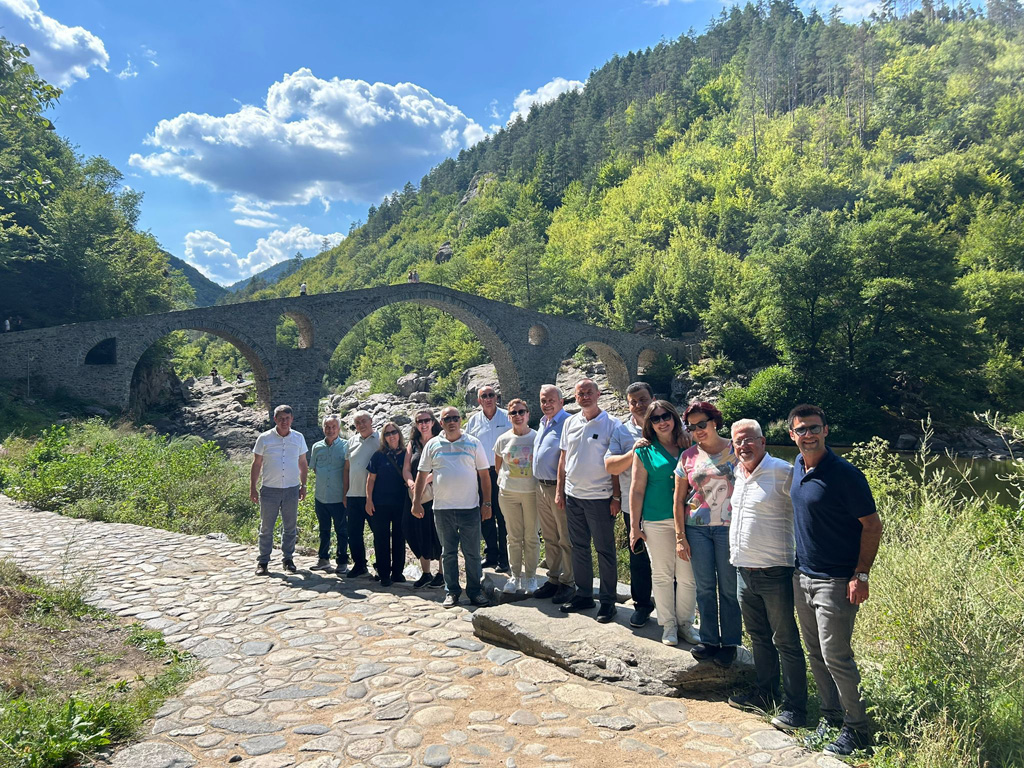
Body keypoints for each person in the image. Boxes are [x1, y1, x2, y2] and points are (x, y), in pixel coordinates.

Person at [789, 404, 882, 756]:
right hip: (803, 576)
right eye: (801, 429)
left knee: (836, 656)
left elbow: (872, 525)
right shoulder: (798, 466)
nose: (808, 435)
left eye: (814, 428)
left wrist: (861, 574)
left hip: (837, 581)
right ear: (792, 435)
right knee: (816, 653)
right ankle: (830, 718)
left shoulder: (845, 474)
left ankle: (857, 730)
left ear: (826, 430)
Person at [726, 418, 807, 733]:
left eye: (749, 439)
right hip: (743, 571)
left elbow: (807, 510)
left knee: (785, 640)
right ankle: (765, 693)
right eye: (738, 441)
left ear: (762, 441)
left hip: (775, 572)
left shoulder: (783, 472)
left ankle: (796, 708)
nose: (743, 446)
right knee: (759, 637)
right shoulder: (738, 472)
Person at [675, 401, 741, 666]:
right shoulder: (688, 456)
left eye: (702, 424)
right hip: (697, 529)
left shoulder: (736, 449)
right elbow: (678, 499)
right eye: (692, 427)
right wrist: (680, 536)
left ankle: (731, 642)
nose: (697, 430)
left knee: (729, 588)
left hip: (729, 528)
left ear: (714, 422)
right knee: (704, 588)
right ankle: (709, 639)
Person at [628, 400, 699, 646]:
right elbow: (637, 490)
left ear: (674, 418)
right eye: (655, 418)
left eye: (666, 416)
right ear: (650, 424)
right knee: (662, 574)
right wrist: (634, 526)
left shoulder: (688, 446)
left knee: (688, 576)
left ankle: (686, 624)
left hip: (688, 521)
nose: (662, 422)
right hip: (656, 520)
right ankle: (668, 625)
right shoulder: (644, 451)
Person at [556, 378, 622, 623]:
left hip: (600, 497)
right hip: (574, 495)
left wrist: (616, 497)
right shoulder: (570, 422)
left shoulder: (612, 424)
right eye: (580, 393)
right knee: (579, 547)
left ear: (598, 394)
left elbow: (615, 464)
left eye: (588, 392)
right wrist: (560, 490)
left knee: (604, 550)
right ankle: (583, 595)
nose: (584, 397)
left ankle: (608, 602)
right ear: (575, 397)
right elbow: (564, 458)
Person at [413, 406, 491, 608]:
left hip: (469, 508)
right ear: (441, 423)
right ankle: (452, 591)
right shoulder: (433, 445)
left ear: (461, 420)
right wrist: (416, 502)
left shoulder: (473, 443)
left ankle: (475, 591)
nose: (452, 422)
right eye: (447, 419)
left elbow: (484, 475)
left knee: (472, 553)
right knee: (448, 553)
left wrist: (487, 503)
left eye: (455, 418)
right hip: (442, 509)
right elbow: (422, 475)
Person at [605, 382, 658, 628]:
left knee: (672, 560)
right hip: (633, 506)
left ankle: (674, 612)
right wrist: (633, 451)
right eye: (633, 402)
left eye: (643, 399)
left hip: (666, 506)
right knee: (638, 557)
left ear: (653, 399)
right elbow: (611, 466)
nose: (638, 405)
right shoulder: (621, 431)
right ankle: (642, 606)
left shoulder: (667, 423)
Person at [250, 404, 308, 575]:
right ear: (275, 419)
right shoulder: (264, 438)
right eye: (281, 418)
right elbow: (257, 464)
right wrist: (253, 487)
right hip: (270, 489)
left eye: (287, 418)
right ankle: (263, 562)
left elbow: (303, 463)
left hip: (291, 489)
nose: (284, 422)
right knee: (266, 528)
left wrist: (304, 485)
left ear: (292, 419)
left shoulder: (298, 438)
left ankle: (288, 560)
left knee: (290, 527)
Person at [531, 385, 575, 604]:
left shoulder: (568, 422)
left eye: (551, 400)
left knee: (565, 537)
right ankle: (554, 578)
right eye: (543, 401)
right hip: (541, 486)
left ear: (561, 401)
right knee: (549, 537)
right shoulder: (543, 422)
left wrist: (561, 490)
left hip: (558, 488)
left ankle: (568, 582)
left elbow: (568, 458)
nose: (546, 404)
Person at [465, 385, 512, 573]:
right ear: (479, 400)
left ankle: (505, 558)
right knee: (486, 514)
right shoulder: (473, 421)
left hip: (503, 471)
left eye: (491, 395)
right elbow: (468, 446)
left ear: (496, 397)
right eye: (484, 396)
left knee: (503, 516)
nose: (488, 398)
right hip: (481, 473)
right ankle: (491, 554)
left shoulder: (507, 417)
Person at [493, 398, 539, 593]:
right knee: (513, 536)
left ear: (528, 414)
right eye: (513, 413)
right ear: (509, 416)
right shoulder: (503, 439)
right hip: (508, 493)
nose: (518, 416)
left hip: (532, 493)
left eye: (521, 412)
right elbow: (498, 466)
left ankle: (531, 577)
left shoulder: (537, 437)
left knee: (531, 536)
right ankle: (515, 576)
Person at [403, 409, 444, 589]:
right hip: (415, 495)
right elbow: (406, 468)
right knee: (415, 530)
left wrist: (424, 480)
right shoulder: (413, 444)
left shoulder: (441, 441)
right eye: (419, 421)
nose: (423, 424)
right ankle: (426, 573)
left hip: (437, 494)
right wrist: (411, 482)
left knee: (438, 532)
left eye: (426, 420)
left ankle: (442, 573)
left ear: (433, 422)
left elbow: (443, 466)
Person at [366, 421, 409, 586]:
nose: (391, 436)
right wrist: (369, 500)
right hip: (380, 503)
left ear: (399, 434)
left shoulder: (406, 454)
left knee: (400, 537)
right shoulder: (378, 455)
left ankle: (397, 572)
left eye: (394, 432)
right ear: (383, 437)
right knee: (381, 538)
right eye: (387, 433)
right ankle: (384, 574)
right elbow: (371, 479)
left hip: (401, 503)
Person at [309, 414, 349, 574]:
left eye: (333, 427)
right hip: (321, 496)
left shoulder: (346, 446)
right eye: (327, 427)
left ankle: (342, 562)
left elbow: (348, 470)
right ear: (323, 428)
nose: (330, 430)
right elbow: (314, 467)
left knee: (342, 531)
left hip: (339, 497)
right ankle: (323, 559)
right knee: (324, 530)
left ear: (339, 429)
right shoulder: (316, 447)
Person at [344, 411, 379, 578]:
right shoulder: (351, 441)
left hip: (374, 496)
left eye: (364, 421)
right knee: (354, 533)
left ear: (371, 421)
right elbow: (346, 469)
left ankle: (381, 565)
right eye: (357, 423)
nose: (361, 425)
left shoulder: (380, 440)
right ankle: (359, 565)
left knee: (378, 532)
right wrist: (345, 493)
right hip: (353, 495)